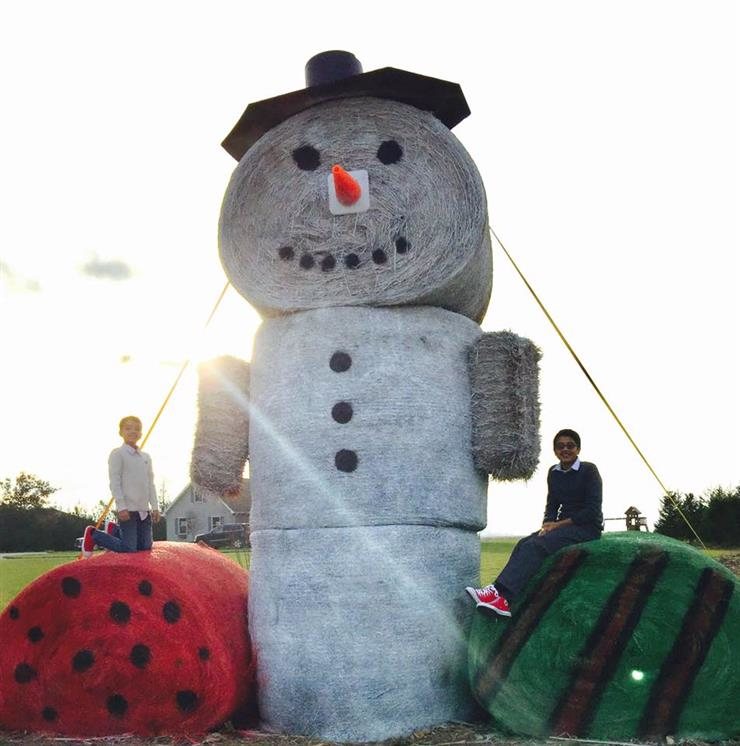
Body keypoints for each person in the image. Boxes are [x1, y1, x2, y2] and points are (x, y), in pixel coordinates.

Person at [466, 428, 603, 616]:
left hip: (586, 528)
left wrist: (557, 525)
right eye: (560, 446)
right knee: (523, 544)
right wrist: (547, 524)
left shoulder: (589, 470)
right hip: (563, 527)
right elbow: (552, 504)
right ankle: (496, 593)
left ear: (578, 449)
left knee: (535, 546)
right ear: (555, 451)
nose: (565, 449)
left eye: (570, 446)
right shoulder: (554, 472)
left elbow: (592, 511)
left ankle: (504, 599)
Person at [82, 416, 160, 557]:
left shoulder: (146, 457)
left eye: (137, 429)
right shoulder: (118, 454)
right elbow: (115, 482)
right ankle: (93, 534)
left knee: (145, 547)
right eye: (128, 428)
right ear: (121, 432)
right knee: (129, 548)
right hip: (128, 509)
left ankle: (114, 531)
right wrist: (121, 506)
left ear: (141, 433)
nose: (133, 431)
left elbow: (150, 483)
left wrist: (154, 507)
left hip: (144, 510)